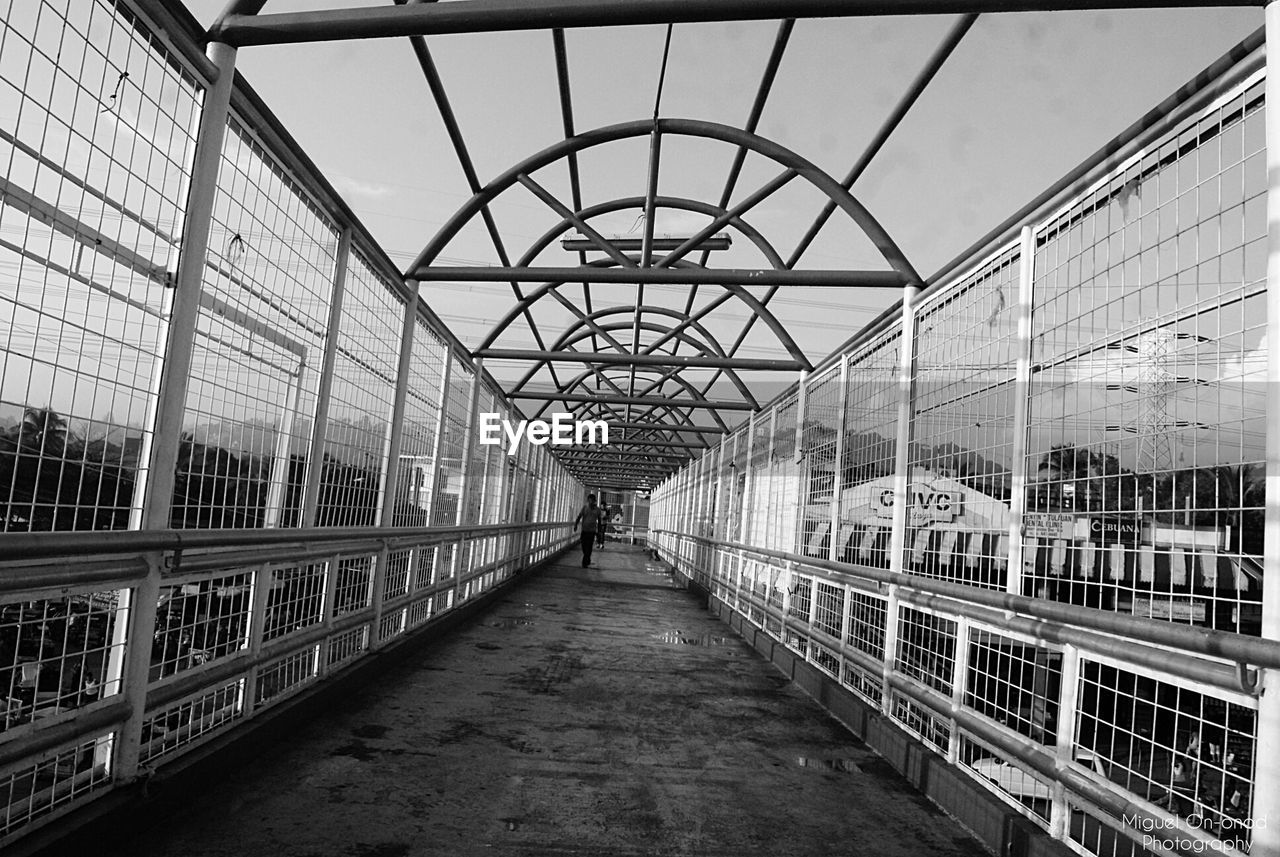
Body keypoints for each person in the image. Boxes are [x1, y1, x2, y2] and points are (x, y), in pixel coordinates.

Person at [573, 493, 603, 568]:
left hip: (592, 531)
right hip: (584, 530)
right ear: (588, 500)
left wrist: (599, 531)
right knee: (583, 546)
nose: (591, 502)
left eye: (592, 501)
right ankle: (587, 558)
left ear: (594, 501)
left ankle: (584, 562)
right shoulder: (585, 508)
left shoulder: (598, 510)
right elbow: (579, 516)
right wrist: (576, 525)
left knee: (589, 547)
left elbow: (599, 521)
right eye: (589, 501)